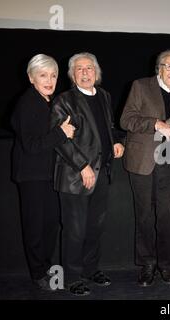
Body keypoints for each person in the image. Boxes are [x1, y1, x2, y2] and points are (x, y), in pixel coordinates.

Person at [50, 52, 125, 296]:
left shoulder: (104, 95)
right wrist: (82, 167)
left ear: (96, 72)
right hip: (75, 175)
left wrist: (117, 141)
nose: (85, 72)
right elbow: (61, 140)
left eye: (89, 68)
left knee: (95, 226)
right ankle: (72, 278)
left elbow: (109, 127)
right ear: (72, 75)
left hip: (101, 172)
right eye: (79, 69)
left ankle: (91, 269)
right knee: (75, 229)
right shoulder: (64, 100)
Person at [120, 49, 170, 287]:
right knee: (145, 215)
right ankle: (147, 264)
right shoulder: (141, 85)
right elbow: (126, 119)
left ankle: (166, 264)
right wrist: (155, 123)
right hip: (143, 159)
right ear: (159, 67)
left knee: (166, 215)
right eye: (169, 66)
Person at [11, 54, 75, 290]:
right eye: (43, 75)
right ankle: (39, 273)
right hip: (32, 176)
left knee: (49, 223)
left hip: (48, 174)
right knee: (36, 226)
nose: (49, 80)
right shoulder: (28, 102)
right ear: (31, 78)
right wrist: (61, 133)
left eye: (53, 75)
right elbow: (31, 145)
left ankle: (45, 269)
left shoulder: (47, 101)